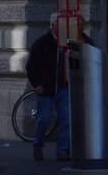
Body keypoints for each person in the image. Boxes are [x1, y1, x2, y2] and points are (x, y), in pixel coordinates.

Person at [26, 13, 73, 161]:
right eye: (61, 25)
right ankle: (38, 144)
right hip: (47, 88)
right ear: (53, 25)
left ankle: (62, 150)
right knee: (44, 119)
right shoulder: (42, 43)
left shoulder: (67, 43)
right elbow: (31, 66)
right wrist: (37, 84)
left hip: (62, 86)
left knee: (66, 119)